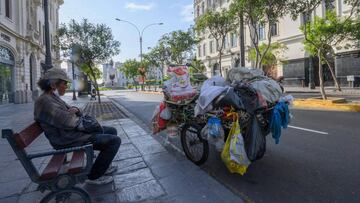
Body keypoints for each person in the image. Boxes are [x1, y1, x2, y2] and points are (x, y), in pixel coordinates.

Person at [34, 68, 121, 185]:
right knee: (114, 141)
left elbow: (73, 110)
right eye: (64, 83)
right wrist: (75, 114)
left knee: (111, 130)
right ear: (54, 84)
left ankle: (103, 167)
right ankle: (94, 176)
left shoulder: (51, 97)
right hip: (67, 139)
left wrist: (76, 112)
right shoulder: (45, 101)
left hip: (71, 134)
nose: (66, 86)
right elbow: (70, 121)